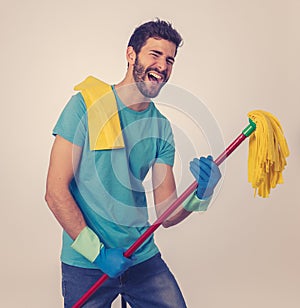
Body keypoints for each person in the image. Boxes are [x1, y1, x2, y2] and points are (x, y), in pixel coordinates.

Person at [45, 19, 221, 308]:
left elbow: (166, 214)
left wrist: (200, 194)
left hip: (140, 256)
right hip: (86, 262)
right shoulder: (85, 105)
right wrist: (97, 253)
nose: (163, 66)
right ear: (131, 55)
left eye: (170, 60)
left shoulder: (161, 128)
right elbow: (54, 192)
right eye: (154, 55)